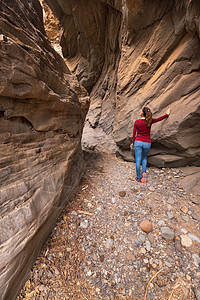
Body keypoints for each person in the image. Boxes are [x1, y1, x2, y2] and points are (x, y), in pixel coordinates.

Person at [133, 107, 171, 183]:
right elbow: (159, 119)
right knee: (144, 158)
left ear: (142, 113)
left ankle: (138, 177)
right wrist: (167, 114)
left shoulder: (137, 122)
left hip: (138, 142)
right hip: (147, 142)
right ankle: (144, 173)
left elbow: (134, 134)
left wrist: (134, 143)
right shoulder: (150, 121)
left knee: (138, 160)